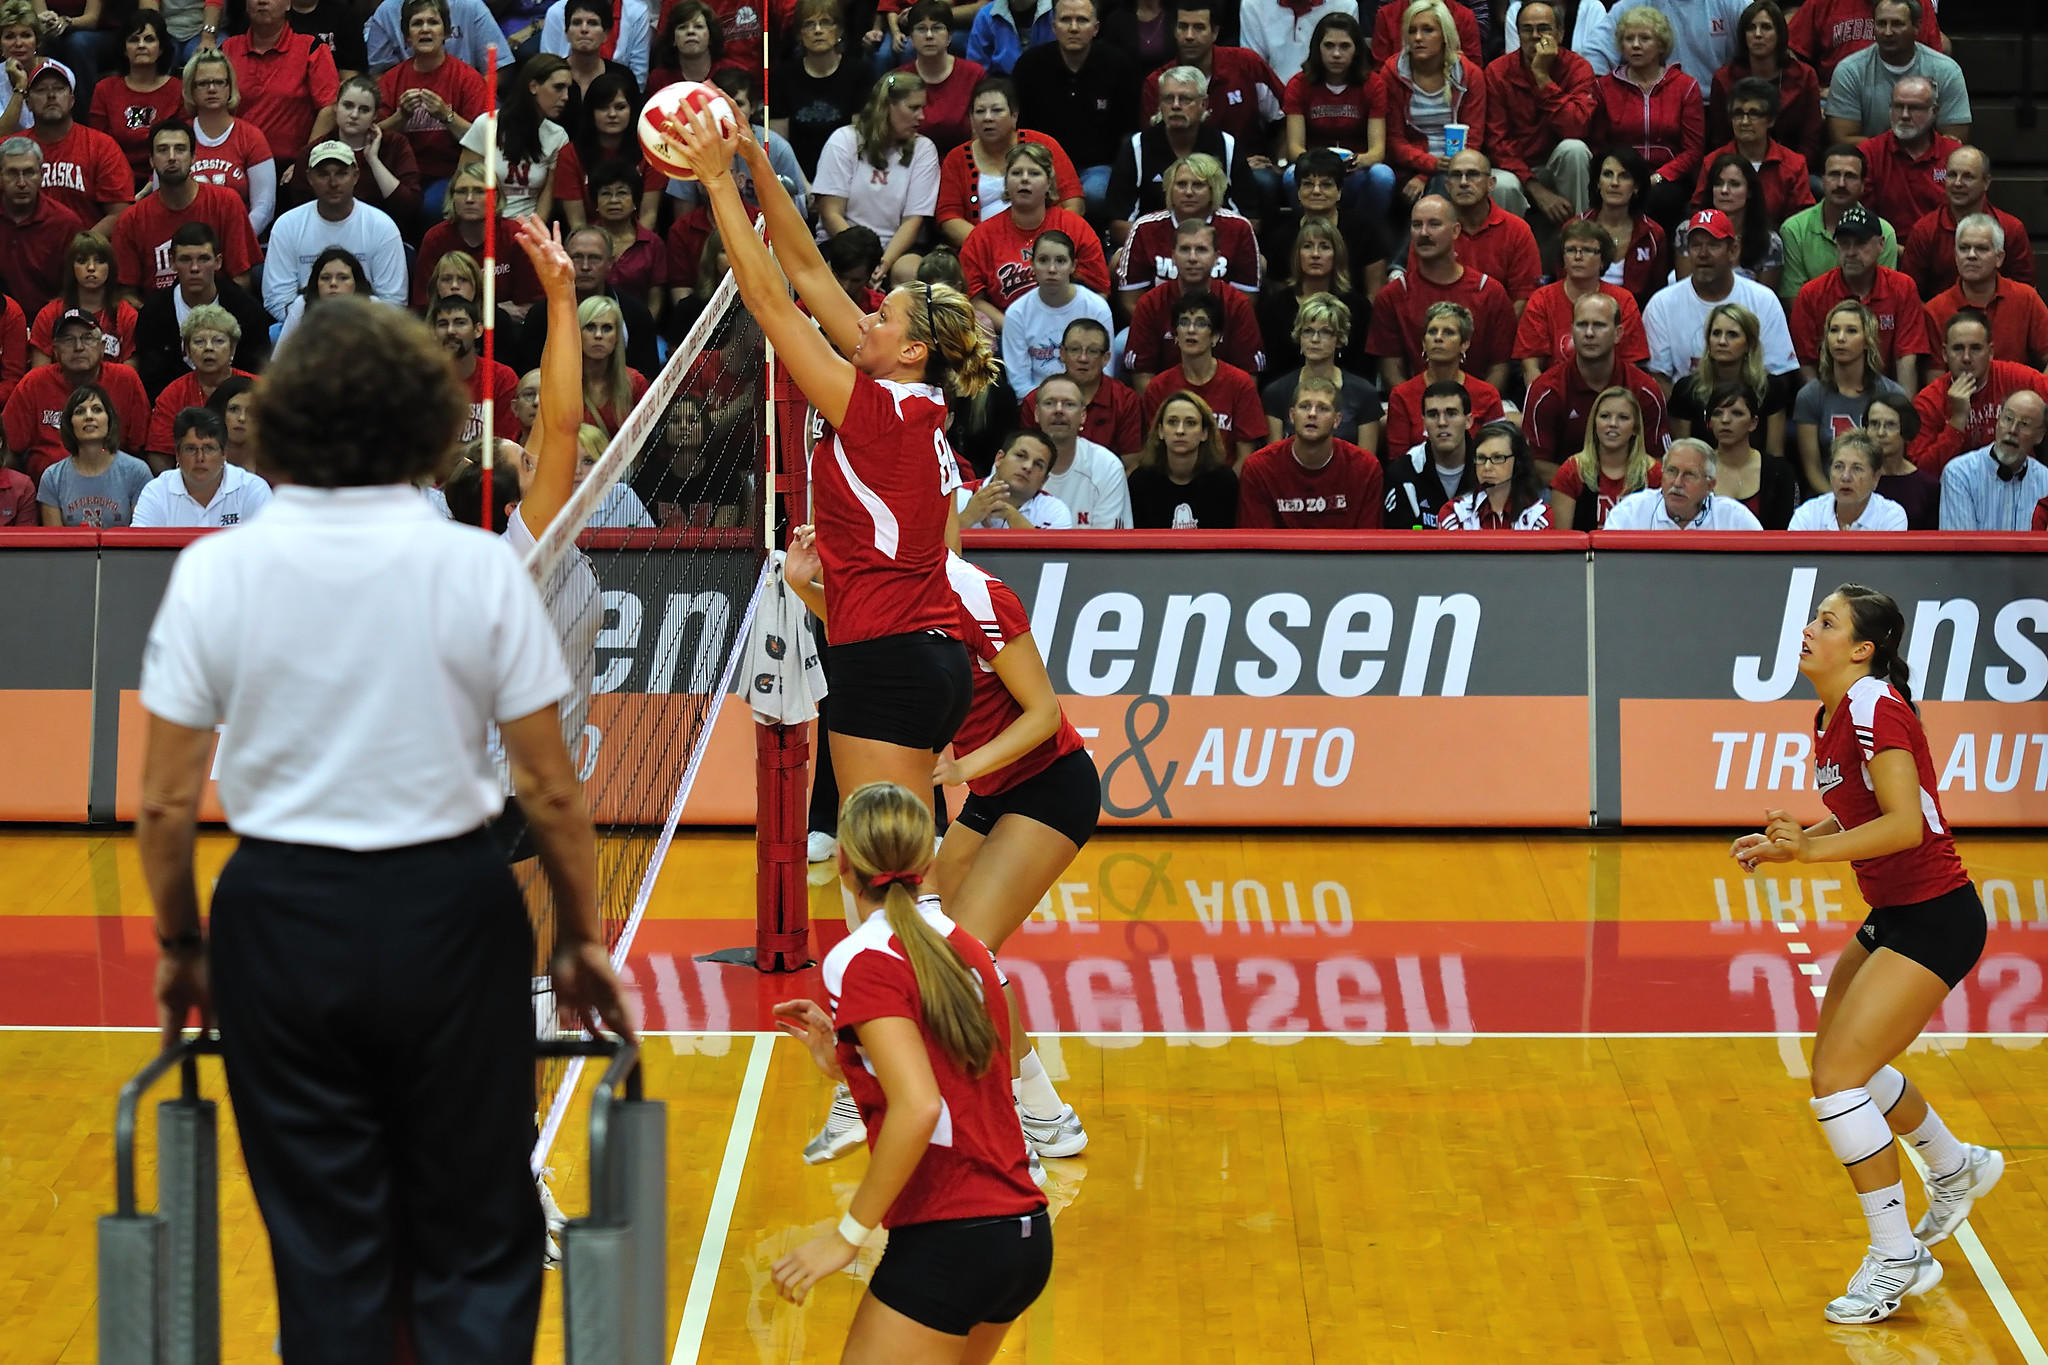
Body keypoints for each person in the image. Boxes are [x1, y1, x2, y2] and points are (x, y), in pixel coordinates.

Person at [139, 256, 633, 1360]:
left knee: (326, 1255)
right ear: (425, 420)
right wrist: (583, 938)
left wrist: (182, 946)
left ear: (286, 421)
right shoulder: (479, 572)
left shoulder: (219, 572)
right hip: (446, 913)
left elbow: (166, 809)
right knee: (475, 1240)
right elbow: (551, 788)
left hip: (278, 918)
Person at [665, 99, 993, 823]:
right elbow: (809, 269)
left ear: (911, 351)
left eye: (882, 316)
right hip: (916, 653)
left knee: (881, 867)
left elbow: (773, 306)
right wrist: (754, 158)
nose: (866, 314)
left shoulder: (878, 411)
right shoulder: (903, 399)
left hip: (891, 658)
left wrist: (717, 185)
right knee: (893, 862)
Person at [1730, 583, 2000, 1326]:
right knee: (1845, 1064)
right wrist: (1797, 846)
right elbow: (1860, 812)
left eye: (1827, 621)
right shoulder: (1834, 712)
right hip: (1898, 913)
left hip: (1937, 918)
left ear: (1862, 649)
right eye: (1813, 616)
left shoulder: (1876, 705)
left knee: (1835, 1081)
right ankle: (1956, 1166)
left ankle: (1895, 1255)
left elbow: (1907, 826)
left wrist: (1811, 859)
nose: (1809, 629)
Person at [766, 781, 1051, 1359]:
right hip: (1020, 1236)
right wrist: (847, 1065)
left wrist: (846, 1238)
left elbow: (921, 1106)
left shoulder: (860, 957)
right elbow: (962, 1086)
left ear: (843, 862)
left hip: (951, 1236)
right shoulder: (967, 946)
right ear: (926, 861)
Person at [1365, 194, 1515, 390]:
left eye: (1434, 224)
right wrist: (1418, 409)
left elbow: (1499, 366)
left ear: (1455, 231)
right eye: (1417, 225)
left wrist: (1474, 409)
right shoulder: (1392, 295)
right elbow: (1391, 369)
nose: (1424, 233)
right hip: (1416, 409)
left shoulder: (1489, 292)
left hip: (1477, 410)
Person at [1643, 211, 1798, 396]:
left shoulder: (1763, 300)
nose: (1702, 254)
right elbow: (1658, 378)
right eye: (1695, 245)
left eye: (1713, 245)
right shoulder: (1661, 304)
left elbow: (1777, 376)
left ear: (1733, 250)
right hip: (1686, 416)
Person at [813, 71, 941, 286]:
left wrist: (882, 263)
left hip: (895, 249)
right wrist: (864, 258)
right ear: (886, 107)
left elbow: (913, 221)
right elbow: (830, 212)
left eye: (922, 108)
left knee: (910, 272)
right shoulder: (843, 140)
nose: (922, 116)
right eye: (913, 108)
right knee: (840, 271)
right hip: (842, 242)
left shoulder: (924, 149)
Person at [959, 142, 1107, 328]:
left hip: (1069, 333)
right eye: (1016, 173)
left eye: (1034, 173)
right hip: (1007, 332)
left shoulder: (1075, 228)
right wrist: (1016, 329)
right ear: (1006, 183)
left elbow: (1099, 292)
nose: (1024, 179)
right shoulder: (981, 237)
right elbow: (974, 301)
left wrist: (1070, 331)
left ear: (1049, 183)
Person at [1104, 62, 1260, 239]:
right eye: (1168, 99)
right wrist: (1173, 248)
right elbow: (1118, 223)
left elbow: (1250, 220)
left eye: (1185, 99)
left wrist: (1203, 246)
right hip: (1153, 248)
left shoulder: (1226, 145)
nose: (1176, 106)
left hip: (1216, 248)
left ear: (1204, 103)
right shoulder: (1136, 147)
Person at [111, 120, 262, 301]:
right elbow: (125, 293)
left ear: (193, 157)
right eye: (163, 150)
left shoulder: (227, 203)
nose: (172, 157)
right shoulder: (131, 219)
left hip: (218, 318)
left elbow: (241, 278)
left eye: (180, 149)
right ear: (151, 160)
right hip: (159, 320)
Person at [1012, 0, 1136, 219]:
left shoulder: (1118, 65)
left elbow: (1128, 130)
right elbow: (1020, 127)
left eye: (1082, 20)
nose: (1074, 28)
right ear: (1054, 26)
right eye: (1066, 20)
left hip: (1098, 166)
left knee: (1095, 193)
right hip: (1043, 164)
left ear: (1096, 28)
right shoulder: (1029, 66)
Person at [1789, 204, 1928, 395]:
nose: (1851, 252)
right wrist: (1823, 406)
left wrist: (1903, 414)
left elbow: (1906, 358)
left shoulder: (1902, 288)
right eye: (1844, 243)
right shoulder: (1812, 293)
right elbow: (1806, 363)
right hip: (1830, 394)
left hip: (1887, 396)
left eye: (1861, 243)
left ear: (1881, 244)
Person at [1524, 290, 1668, 473]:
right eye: (1582, 325)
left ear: (1618, 334)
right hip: (1563, 491)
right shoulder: (1545, 391)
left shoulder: (1645, 390)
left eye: (1599, 325)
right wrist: (1586, 488)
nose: (1589, 333)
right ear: (1571, 331)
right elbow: (1535, 465)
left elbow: (1657, 461)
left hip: (1631, 492)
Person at [263, 142, 407, 323]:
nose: (332, 183)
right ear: (309, 178)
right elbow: (277, 299)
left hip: (368, 327)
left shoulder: (382, 226)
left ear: (355, 176)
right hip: (305, 326)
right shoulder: (287, 225)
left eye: (341, 173)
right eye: (323, 174)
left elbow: (394, 301)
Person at [934, 76, 1084, 248]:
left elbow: (1073, 202)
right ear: (971, 119)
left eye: (997, 110)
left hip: (1045, 250)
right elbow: (948, 216)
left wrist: (1045, 245)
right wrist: (991, 247)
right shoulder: (957, 158)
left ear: (1014, 116)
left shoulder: (1043, 144)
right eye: (980, 111)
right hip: (983, 250)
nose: (987, 118)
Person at [3, 308, 149, 482]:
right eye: (68, 340)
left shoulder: (125, 380)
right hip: (47, 488)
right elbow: (7, 447)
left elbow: (140, 446)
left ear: (102, 347)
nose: (78, 347)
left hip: (114, 486)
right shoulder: (34, 383)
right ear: (55, 350)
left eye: (87, 338)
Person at [1588, 5, 1701, 228]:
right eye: (1629, 39)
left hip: (1667, 177)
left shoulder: (1685, 86)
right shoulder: (1604, 87)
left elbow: (1693, 150)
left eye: (1645, 38)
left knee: (1657, 199)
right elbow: (1597, 145)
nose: (1636, 45)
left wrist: (1659, 176)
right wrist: (1616, 176)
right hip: (1618, 173)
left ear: (1661, 44)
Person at [375, 0, 488, 217]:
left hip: (450, 173)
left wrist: (446, 116)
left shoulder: (467, 78)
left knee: (431, 207)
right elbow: (372, 137)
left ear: (446, 33)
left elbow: (483, 139)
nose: (425, 29)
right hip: (400, 172)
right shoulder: (391, 80)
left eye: (433, 22)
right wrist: (401, 117)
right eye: (417, 23)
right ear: (407, 37)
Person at [132, 223, 271, 398]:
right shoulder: (153, 313)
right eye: (185, 259)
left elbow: (256, 371)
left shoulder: (246, 309)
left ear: (218, 262)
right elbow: (151, 379)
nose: (195, 268)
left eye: (204, 259)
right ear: (173, 262)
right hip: (174, 405)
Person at [1123, 217, 1266, 386]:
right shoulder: (1150, 303)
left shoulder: (1237, 304)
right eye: (1184, 249)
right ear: (1173, 256)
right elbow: (1143, 374)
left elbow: (1248, 376)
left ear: (1216, 257)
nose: (1192, 258)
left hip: (1222, 403)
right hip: (1167, 404)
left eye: (1201, 250)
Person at [1485, 2, 1595, 222]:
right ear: (1518, 34)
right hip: (1514, 169)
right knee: (1502, 185)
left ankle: (1581, 237)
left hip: (1557, 165)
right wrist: (1534, 186)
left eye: (1543, 28)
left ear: (1560, 33)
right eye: (1527, 29)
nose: (1535, 36)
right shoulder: (1497, 72)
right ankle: (1508, 253)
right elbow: (1497, 142)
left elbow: (1577, 127)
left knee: (1575, 149)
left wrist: (1542, 78)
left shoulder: (1577, 67)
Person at [1278, 12, 1392, 223]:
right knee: (1289, 176)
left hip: (1355, 169)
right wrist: (1324, 166)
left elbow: (1377, 152)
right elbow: (1295, 150)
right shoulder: (1299, 84)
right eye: (1329, 46)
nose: (1336, 54)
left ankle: (1369, 235)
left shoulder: (1373, 85)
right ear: (1317, 48)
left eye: (1345, 46)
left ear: (1356, 50)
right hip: (1315, 171)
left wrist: (1351, 163)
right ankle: (1307, 232)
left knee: (1383, 177)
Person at [1379, 0, 1487, 211]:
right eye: (1412, 31)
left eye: (1428, 30)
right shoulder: (1392, 73)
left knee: (1446, 182)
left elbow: (1473, 138)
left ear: (1445, 36)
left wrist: (1428, 174)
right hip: (1408, 166)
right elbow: (1394, 140)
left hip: (1459, 164)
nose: (1418, 38)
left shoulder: (1470, 75)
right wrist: (1430, 166)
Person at [1237, 374, 1383, 528]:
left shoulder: (1365, 468)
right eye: (1305, 406)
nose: (1312, 414)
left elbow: (1368, 542)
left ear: (1337, 420)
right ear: (1292, 416)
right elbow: (1256, 542)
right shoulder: (1259, 468)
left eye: (1323, 408)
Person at [1115, 151, 1260, 305]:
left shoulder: (1239, 227)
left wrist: (1214, 329)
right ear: (1170, 189)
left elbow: (1246, 299)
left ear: (1213, 190)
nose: (1188, 192)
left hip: (1222, 325)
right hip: (1156, 325)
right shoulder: (1144, 228)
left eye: (1198, 185)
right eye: (1181, 184)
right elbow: (1131, 299)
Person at [1908, 309, 2045, 471]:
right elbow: (1922, 472)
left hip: (2019, 483)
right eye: (1958, 348)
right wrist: (1957, 420)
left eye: (1976, 348)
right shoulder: (1928, 401)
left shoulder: (2018, 379)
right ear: (1945, 354)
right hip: (1954, 490)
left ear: (1990, 352)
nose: (1966, 357)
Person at [1137, 0, 1284, 151]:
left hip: (1247, 168)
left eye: (1199, 28)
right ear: (1174, 31)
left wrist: (1280, 163)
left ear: (1215, 32)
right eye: (1183, 27)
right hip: (1182, 171)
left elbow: (1285, 118)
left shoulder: (1247, 65)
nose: (1189, 36)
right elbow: (1151, 147)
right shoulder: (1157, 83)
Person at [1793, 298, 1906, 491]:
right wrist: (1839, 502)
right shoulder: (1810, 396)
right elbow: (1812, 470)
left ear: (1867, 340)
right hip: (1828, 498)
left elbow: (1896, 463)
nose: (1840, 338)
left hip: (1881, 496)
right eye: (1834, 330)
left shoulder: (1892, 393)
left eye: (1851, 331)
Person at [1139, 291, 1263, 466]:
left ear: (1215, 336)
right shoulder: (1158, 387)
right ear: (1175, 335)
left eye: (1201, 323)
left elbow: (1246, 457)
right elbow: (1154, 451)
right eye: (1184, 323)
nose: (1191, 330)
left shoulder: (1240, 383)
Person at [1516, 219, 1648, 382]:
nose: (1578, 257)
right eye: (1571, 250)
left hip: (1608, 396)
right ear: (1563, 259)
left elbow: (1631, 364)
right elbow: (1531, 364)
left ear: (1603, 260)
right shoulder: (1542, 299)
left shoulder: (1623, 300)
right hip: (1556, 392)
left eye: (1587, 250)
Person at [1821, 0, 1967, 145]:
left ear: (1916, 27)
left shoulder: (1947, 71)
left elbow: (1954, 141)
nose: (1888, 32)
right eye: (1881, 24)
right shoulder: (1849, 71)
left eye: (1897, 24)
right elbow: (1843, 140)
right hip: (1869, 164)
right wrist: (1900, 152)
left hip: (1928, 164)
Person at [1777, 143, 1900, 307]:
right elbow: (1796, 303)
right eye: (1834, 175)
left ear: (1863, 184)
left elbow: (1884, 300)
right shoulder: (1794, 229)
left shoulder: (1883, 232)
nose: (1841, 184)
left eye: (1850, 176)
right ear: (1822, 181)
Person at [1903, 150, 2034, 303]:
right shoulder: (1924, 231)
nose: (1957, 183)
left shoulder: (2011, 229)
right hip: (1941, 321)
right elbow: (1911, 297)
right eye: (1952, 175)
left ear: (1986, 182)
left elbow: (2026, 293)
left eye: (1968, 176)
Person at [220, 0, 341, 165]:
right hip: (236, 162)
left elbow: (329, 108)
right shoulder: (227, 49)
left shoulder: (311, 47)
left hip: (291, 164)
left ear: (288, 4)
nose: (262, 1)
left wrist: (305, 160)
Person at [413, 162, 544, 312]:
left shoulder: (516, 236)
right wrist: (491, 312)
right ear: (452, 197)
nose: (469, 199)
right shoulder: (435, 239)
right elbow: (424, 305)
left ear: (495, 197)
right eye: (462, 191)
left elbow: (530, 306)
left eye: (479, 191)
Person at [1424, 147, 1542, 314]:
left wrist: (1499, 337)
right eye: (1457, 175)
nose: (1464, 182)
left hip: (1500, 332)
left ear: (1491, 183)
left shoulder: (1517, 230)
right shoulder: (1430, 230)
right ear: (1447, 186)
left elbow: (1523, 298)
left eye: (1473, 174)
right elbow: (1420, 293)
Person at [457, 54, 571, 222]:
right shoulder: (487, 124)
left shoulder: (558, 136)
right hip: (484, 224)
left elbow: (546, 198)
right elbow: (463, 183)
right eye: (558, 87)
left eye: (568, 89)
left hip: (527, 228)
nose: (566, 96)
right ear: (533, 86)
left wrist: (533, 233)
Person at [23, 58, 132, 234]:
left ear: (72, 100)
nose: (51, 95)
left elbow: (119, 213)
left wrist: (81, 246)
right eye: (41, 90)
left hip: (84, 255)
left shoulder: (101, 146)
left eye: (59, 89)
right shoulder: (9, 149)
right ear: (27, 102)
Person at [1260, 292, 1382, 448]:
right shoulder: (1275, 392)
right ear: (1299, 336)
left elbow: (1367, 464)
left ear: (1339, 339)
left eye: (1325, 332)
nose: (1315, 339)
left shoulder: (1365, 393)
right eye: (1308, 331)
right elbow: (1273, 458)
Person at [1706, 0, 1821, 166]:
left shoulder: (1805, 75)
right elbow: (1720, 138)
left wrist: (1791, 169)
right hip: (1737, 168)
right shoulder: (1724, 79)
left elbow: (1810, 138)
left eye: (1766, 27)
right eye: (1751, 28)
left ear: (1780, 34)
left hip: (1792, 167)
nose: (1758, 34)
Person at [1001, 230, 1113, 400]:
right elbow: (1019, 383)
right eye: (1043, 260)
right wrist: (1050, 405)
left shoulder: (1096, 308)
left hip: (1088, 400)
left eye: (1060, 261)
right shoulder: (1017, 313)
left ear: (1073, 266)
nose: (1052, 269)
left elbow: (1106, 370)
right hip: (1038, 403)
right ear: (1032, 264)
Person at [771, 0, 875, 183]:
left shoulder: (860, 74)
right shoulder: (781, 77)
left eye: (826, 22)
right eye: (809, 24)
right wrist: (806, 189)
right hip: (797, 179)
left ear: (840, 30)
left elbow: (859, 144)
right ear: (799, 35)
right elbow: (780, 148)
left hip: (847, 178)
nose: (818, 30)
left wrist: (833, 192)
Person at [1382, 299, 1501, 455]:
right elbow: (1398, 459)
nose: (1438, 338)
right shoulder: (1401, 395)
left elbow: (1498, 452)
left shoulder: (1487, 394)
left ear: (1465, 344)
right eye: (1432, 332)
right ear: (1424, 343)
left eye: (1448, 332)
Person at [181, 50, 279, 237]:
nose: (212, 89)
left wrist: (236, 241)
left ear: (230, 88)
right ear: (190, 89)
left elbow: (264, 207)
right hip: (187, 248)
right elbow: (162, 201)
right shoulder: (178, 137)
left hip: (240, 243)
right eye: (203, 83)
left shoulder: (251, 137)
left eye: (219, 82)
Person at [1255, 215, 1366, 378]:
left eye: (1324, 247)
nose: (1315, 254)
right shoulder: (1274, 307)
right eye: (1307, 246)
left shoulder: (1358, 307)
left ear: (1337, 255)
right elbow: (1270, 369)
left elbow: (1362, 368)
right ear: (1297, 255)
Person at [1019, 317, 1144, 456]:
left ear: (1106, 358)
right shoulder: (1035, 400)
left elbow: (1130, 465)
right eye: (1075, 349)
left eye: (1093, 351)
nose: (1083, 358)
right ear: (1062, 354)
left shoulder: (1125, 401)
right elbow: (1026, 457)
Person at [143, 303, 253, 459]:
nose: (208, 348)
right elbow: (159, 454)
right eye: (199, 341)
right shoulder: (173, 394)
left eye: (218, 341)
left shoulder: (258, 387)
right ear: (187, 350)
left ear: (233, 348)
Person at [131, 405, 272, 526]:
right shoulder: (157, 491)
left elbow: (268, 546)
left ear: (224, 453)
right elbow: (139, 550)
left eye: (209, 448)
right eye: (191, 449)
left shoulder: (253, 489)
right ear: (177, 454)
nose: (200, 458)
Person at [556, 72, 662, 232]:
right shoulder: (569, 154)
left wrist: (630, 252)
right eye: (603, 108)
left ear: (632, 110)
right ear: (591, 112)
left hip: (639, 242)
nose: (612, 114)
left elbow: (649, 215)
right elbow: (577, 223)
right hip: (589, 244)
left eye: (620, 107)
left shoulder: (651, 150)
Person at [86, 10, 181, 187]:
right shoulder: (105, 89)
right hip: (113, 179)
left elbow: (183, 146)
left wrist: (155, 183)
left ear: (161, 49)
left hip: (167, 180)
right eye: (133, 40)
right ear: (124, 49)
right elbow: (98, 146)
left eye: (149, 39)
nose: (141, 45)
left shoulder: (178, 90)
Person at [1547, 383, 1661, 528]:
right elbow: (1562, 541)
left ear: (1636, 428)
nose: (1613, 424)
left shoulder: (1653, 474)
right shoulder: (1572, 471)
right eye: (1605, 416)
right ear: (1594, 424)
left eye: (1623, 417)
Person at [34, 383, 151, 524]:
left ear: (109, 419)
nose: (89, 416)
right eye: (79, 411)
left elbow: (141, 538)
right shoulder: (52, 478)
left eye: (97, 409)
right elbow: (56, 543)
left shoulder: (137, 472)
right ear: (69, 424)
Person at [1855, 76, 1956, 237]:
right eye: (1898, 106)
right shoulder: (1869, 153)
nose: (1904, 115)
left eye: (1915, 108)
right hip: (1886, 251)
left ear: (1934, 111)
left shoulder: (1954, 154)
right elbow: (1862, 220)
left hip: (1942, 252)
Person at [0, 137, 89, 318]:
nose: (22, 182)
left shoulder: (65, 223)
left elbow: (77, 288)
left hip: (50, 322)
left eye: (29, 172)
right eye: (12, 173)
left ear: (41, 174)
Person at [1936, 390, 2048, 532]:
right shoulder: (1960, 474)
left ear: (2040, 436)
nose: (2012, 430)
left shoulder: (2045, 482)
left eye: (2024, 424)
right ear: (1997, 421)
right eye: (2008, 419)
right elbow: (1961, 549)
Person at [1672, 153, 1782, 293]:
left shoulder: (1770, 242)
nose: (1724, 191)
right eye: (1718, 184)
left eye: (1734, 184)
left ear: (1749, 191)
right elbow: (1685, 293)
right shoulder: (1687, 231)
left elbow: (1764, 300)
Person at [1033, 372, 1134, 524]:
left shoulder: (1107, 467)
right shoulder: (1011, 464)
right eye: (1049, 403)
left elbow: (1109, 544)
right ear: (1036, 413)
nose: (1058, 410)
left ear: (1083, 415)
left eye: (1069, 404)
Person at [1129, 388, 1239, 526]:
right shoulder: (1140, 482)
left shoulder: (1224, 482)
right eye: (1172, 422)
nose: (1180, 431)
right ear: (1161, 431)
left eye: (1191, 423)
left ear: (1204, 433)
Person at [1602, 436, 1764, 528]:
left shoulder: (1733, 518)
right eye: (1671, 471)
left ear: (1710, 485)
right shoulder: (1630, 512)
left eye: (1689, 475)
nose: (1677, 483)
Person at [30, 230, 136, 365]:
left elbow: (129, 378)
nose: (91, 268)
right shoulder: (49, 315)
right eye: (82, 261)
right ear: (71, 267)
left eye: (99, 261)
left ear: (111, 268)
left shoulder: (127, 316)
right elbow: (39, 377)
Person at [1700, 381, 1797, 528]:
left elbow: (1786, 533)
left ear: (1753, 423)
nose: (1725, 420)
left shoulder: (1779, 472)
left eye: (1737, 413)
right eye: (1717, 413)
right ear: (1710, 423)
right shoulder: (1696, 468)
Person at [1580, 144, 1667, 309]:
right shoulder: (1575, 230)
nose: (1614, 183)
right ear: (1598, 183)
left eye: (1624, 176)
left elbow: (1656, 299)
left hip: (1634, 321)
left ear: (1636, 186)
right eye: (1607, 174)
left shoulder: (1654, 235)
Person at [896, 0, 986, 154]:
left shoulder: (974, 74)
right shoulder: (898, 79)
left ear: (950, 36)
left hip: (963, 162)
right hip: (912, 163)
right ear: (911, 37)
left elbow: (981, 132)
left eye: (937, 28)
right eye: (921, 29)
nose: (929, 35)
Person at [1382, 377, 1470, 527]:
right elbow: (1397, 544)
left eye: (1451, 413)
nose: (1442, 422)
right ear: (1423, 423)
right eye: (1433, 415)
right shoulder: (1403, 473)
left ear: (1468, 421)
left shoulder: (1489, 467)